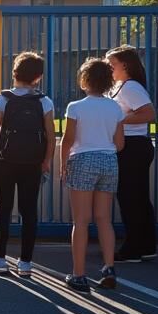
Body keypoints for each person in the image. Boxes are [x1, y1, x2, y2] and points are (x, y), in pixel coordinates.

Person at [0, 52, 55, 277]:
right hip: (32, 162)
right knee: (29, 210)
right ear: (38, 77)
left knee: (2, 208)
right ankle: (25, 263)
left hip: (5, 160)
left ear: (15, 73)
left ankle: (0, 258)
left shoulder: (3, 98)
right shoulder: (44, 101)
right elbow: (51, 136)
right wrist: (47, 160)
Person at [61, 58, 124, 293]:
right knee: (104, 219)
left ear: (85, 80)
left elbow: (68, 140)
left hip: (83, 159)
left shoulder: (75, 107)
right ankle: (109, 267)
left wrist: (63, 163)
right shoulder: (115, 108)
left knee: (81, 220)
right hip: (109, 160)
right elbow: (120, 143)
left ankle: (79, 274)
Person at [108, 45, 158, 263]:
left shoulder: (130, 87)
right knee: (137, 197)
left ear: (125, 65)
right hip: (132, 146)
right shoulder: (122, 86)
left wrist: (118, 120)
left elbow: (149, 113)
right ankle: (146, 246)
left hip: (133, 146)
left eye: (112, 64)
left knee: (130, 198)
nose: (109, 68)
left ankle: (133, 249)